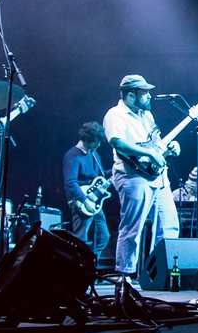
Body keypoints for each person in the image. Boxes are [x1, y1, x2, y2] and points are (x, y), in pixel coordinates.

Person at [102, 74, 180, 280]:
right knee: (132, 228)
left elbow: (155, 145)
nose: (149, 97)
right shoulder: (115, 114)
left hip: (158, 177)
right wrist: (148, 153)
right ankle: (124, 276)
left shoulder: (147, 116)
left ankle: (161, 274)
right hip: (132, 177)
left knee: (169, 225)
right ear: (130, 95)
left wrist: (168, 148)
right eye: (144, 93)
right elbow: (117, 142)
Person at [63, 122, 111, 259]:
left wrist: (116, 169)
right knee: (80, 239)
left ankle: (89, 266)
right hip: (80, 202)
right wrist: (85, 200)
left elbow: (101, 176)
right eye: (97, 141)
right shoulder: (72, 156)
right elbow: (71, 182)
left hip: (94, 202)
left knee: (104, 236)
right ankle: (77, 272)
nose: (99, 145)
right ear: (88, 139)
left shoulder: (93, 154)